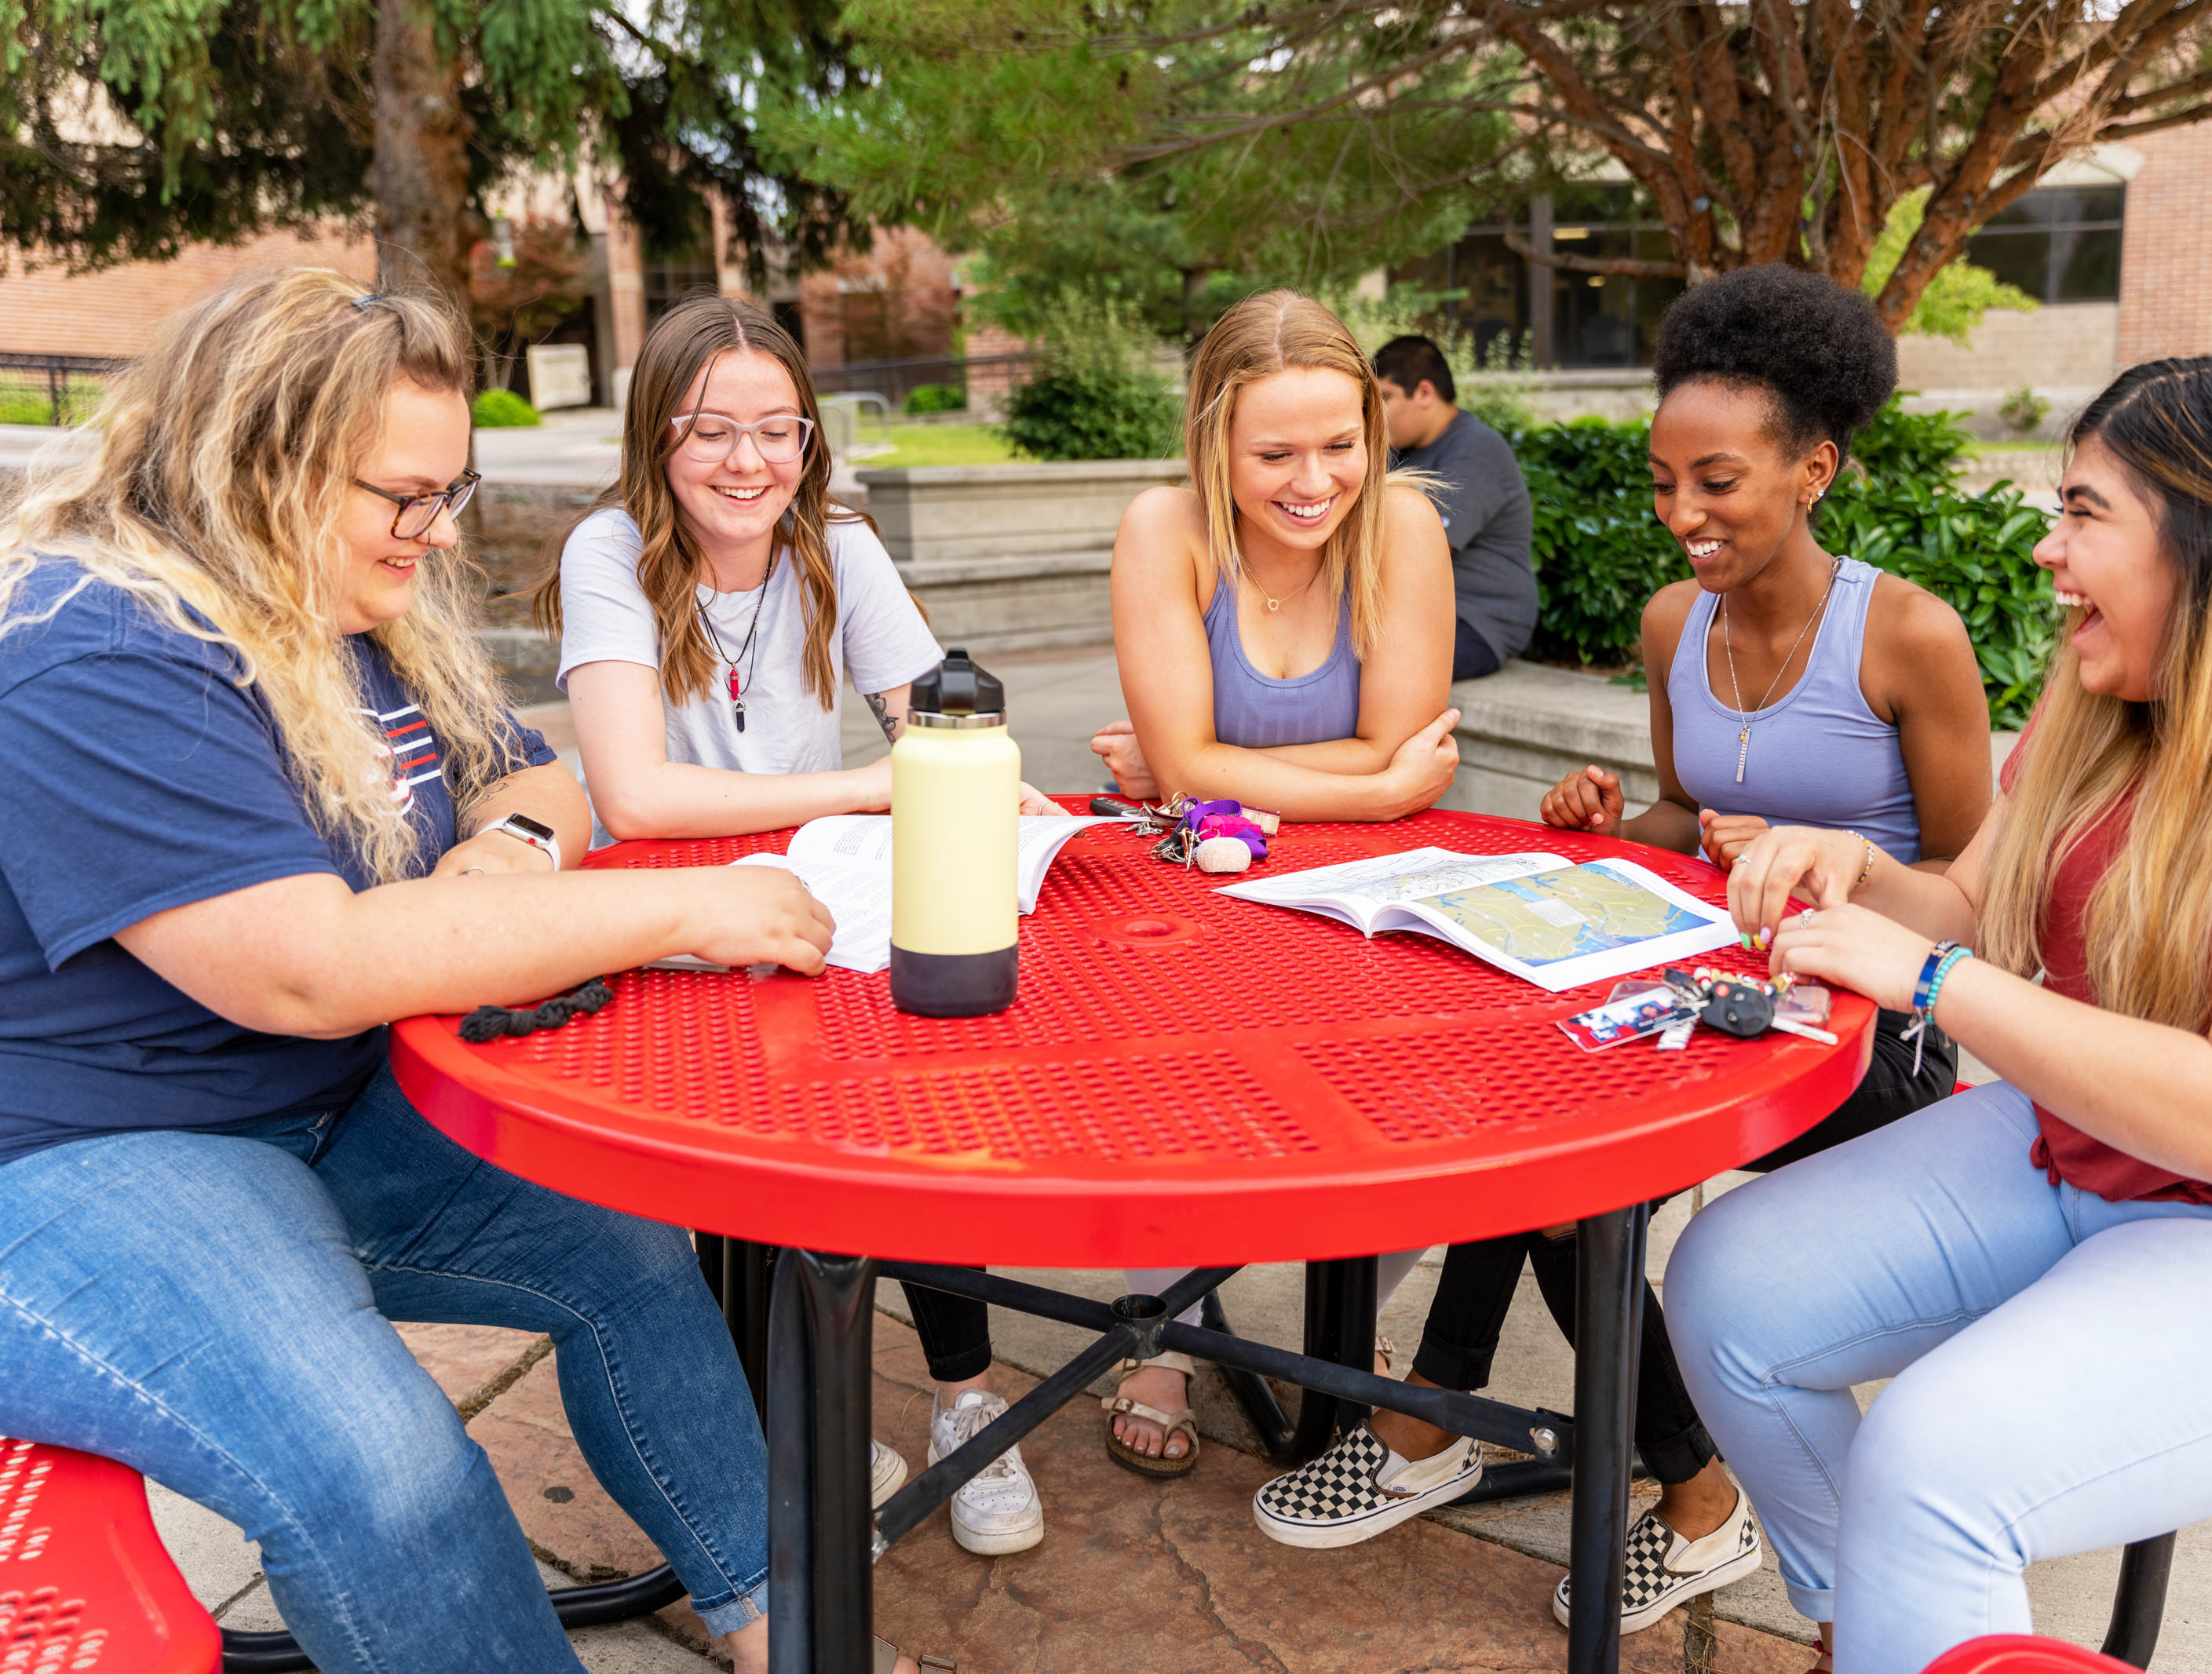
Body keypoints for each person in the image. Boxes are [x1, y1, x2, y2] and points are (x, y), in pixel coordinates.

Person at [0, 269, 938, 1674]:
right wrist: (679, 906)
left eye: (450, 492)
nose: (436, 536)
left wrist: (500, 856)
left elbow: (538, 778)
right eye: (406, 497)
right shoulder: (102, 641)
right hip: (99, 1154)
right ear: (259, 460)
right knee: (384, 1465)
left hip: (340, 1106)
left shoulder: (349, 604)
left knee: (625, 1249)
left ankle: (778, 1632)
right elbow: (306, 970)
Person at [1671, 352, 2212, 1674]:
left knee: (1935, 1460)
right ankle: (1881, 1625)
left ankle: (1912, 1600)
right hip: (2099, 1147)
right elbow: (1966, 901)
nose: (2050, 550)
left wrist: (1931, 981)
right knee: (1730, 1287)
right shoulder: (2113, 682)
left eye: (2082, 513)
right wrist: (1854, 867)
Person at [1249, 267, 1992, 1640]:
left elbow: (1974, 884)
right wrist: (1613, 815)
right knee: (1526, 1112)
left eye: (1718, 482)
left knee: (1559, 1171)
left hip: (1863, 1035)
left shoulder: (1908, 634)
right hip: (1707, 990)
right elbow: (1685, 818)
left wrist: (1846, 879)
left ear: (1815, 469)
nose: (1684, 518)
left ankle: (1518, 1443)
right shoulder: (1673, 624)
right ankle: (1592, 1465)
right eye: (1664, 484)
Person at [539, 292, 1055, 1559]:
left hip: (819, 901)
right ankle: (782, 1424)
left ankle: (966, 1392)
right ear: (658, 436)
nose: (750, 461)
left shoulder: (834, 541)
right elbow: (635, 795)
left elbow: (938, 719)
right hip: (675, 923)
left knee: (928, 1092)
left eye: (780, 429)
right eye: (713, 429)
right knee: (747, 1168)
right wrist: (867, 781)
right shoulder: (609, 551)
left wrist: (980, 773)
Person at [1086, 290, 1462, 1472]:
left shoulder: (1404, 529)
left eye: (1340, 444)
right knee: (1155, 1085)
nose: (1315, 480)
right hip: (1188, 884)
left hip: (1359, 890)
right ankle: (1164, 1326)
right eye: (1276, 453)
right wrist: (1378, 784)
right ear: (1213, 440)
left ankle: (1343, 1317)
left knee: (1426, 1106)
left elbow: (1197, 759)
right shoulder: (1166, 528)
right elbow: (1386, 761)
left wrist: (1203, 766)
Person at [1372, 334, 1537, 680]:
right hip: (1420, 615)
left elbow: (1418, 551)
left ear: (1425, 393)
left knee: (1377, 672)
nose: (1373, 412)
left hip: (1479, 621)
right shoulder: (1399, 451)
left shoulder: (1476, 449)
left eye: (1384, 397)